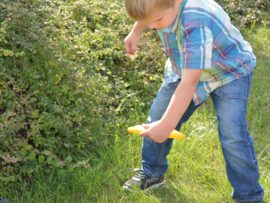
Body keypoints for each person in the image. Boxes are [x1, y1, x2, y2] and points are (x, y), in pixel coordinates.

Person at [122, 0, 265, 202]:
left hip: (229, 71)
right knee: (158, 116)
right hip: (185, 67)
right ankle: (152, 173)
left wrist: (167, 125)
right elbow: (152, 13)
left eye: (156, 21)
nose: (152, 26)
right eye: (147, 22)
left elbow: (190, 83)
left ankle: (249, 196)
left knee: (233, 133)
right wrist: (136, 31)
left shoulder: (194, 22)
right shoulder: (161, 9)